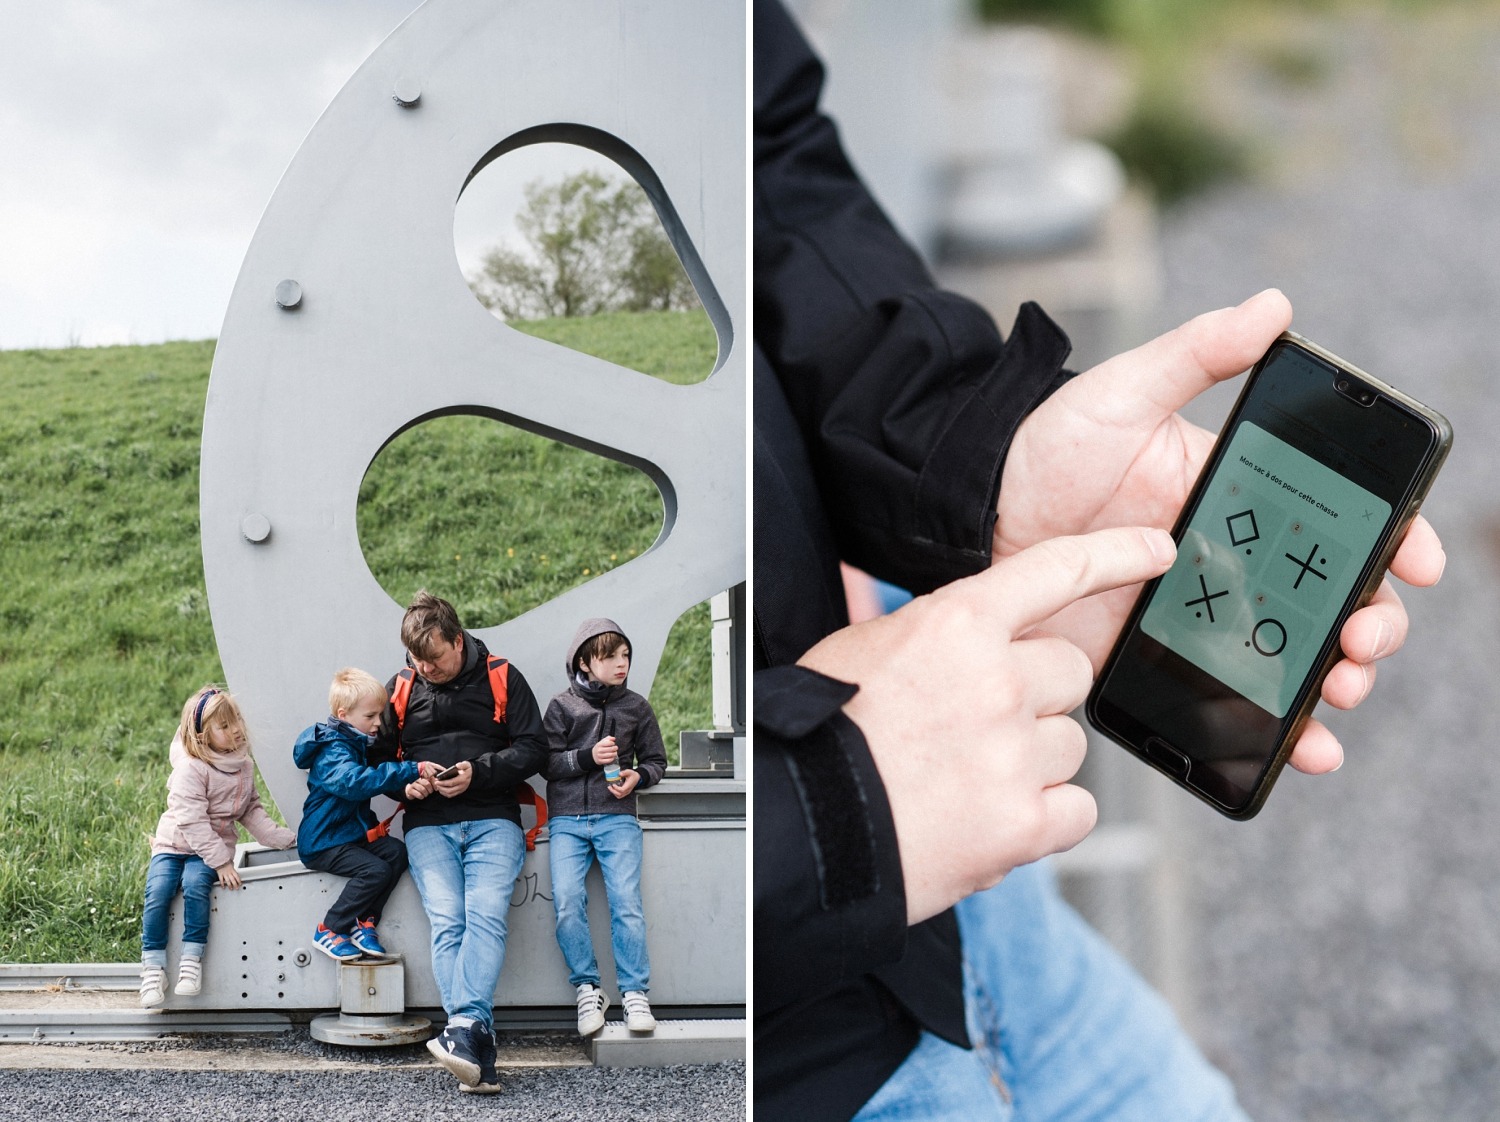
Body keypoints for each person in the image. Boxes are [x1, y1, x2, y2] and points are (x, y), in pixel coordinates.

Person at [752, 2, 1448, 1119]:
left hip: (956, 884)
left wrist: (986, 464)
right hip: (778, 1047)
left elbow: (760, 157)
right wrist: (826, 812)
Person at [369, 590, 547, 1095]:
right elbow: (378, 765)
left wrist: (479, 772)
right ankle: (474, 1038)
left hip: (494, 818)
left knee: (486, 912)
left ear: (458, 638)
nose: (426, 668)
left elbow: (534, 748)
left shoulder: (502, 676)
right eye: (416, 659)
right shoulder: (401, 688)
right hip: (427, 824)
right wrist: (407, 781)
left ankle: (464, 1032)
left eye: (435, 657)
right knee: (449, 920)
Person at [542, 618, 668, 1037]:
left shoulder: (636, 706)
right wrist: (588, 757)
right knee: (566, 904)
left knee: (627, 905)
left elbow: (656, 761)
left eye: (626, 655)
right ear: (584, 661)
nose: (621, 664)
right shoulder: (562, 706)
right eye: (610, 656)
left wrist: (638, 777)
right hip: (567, 821)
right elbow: (546, 764)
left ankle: (635, 994)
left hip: (618, 819)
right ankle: (588, 989)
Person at [141, 686, 296, 1008]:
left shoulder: (242, 765)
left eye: (236, 720)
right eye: (224, 726)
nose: (236, 729)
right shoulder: (192, 768)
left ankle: (190, 962)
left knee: (197, 887)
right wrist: (223, 863)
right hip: (174, 844)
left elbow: (251, 811)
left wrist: (289, 839)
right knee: (159, 892)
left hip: (208, 850)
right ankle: (153, 966)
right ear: (201, 736)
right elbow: (192, 821)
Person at [293, 667, 441, 960]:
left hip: (349, 834)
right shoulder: (333, 749)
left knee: (396, 852)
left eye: (380, 715)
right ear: (343, 713)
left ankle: (364, 922)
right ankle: (330, 928)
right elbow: (355, 783)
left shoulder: (355, 742)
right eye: (370, 716)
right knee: (375, 870)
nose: (378, 724)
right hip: (324, 842)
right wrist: (412, 769)